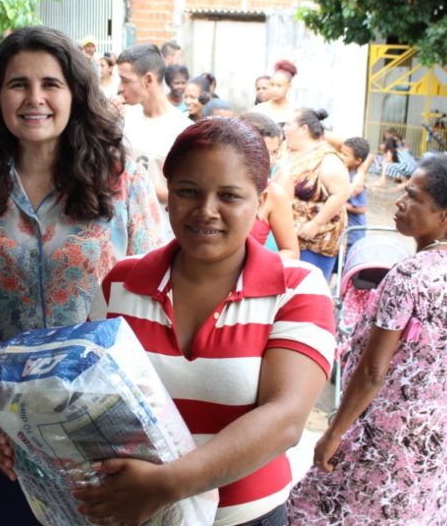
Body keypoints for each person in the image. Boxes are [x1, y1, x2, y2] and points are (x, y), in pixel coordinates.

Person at [75, 118, 335, 525]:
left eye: (229, 196)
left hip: (245, 517)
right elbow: (90, 397)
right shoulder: (120, 283)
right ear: (168, 194)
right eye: (188, 192)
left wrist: (164, 485)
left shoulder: (297, 290)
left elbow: (285, 418)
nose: (206, 211)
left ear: (261, 200)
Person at [0, 26, 164, 525]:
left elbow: (152, 289)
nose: (35, 98)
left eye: (50, 84)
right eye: (17, 84)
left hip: (97, 386)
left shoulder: (121, 174)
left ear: (74, 92)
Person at [287, 155, 447, 525]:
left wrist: (334, 433)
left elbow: (372, 372)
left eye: (413, 197)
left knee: (323, 508)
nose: (400, 202)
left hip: (389, 432)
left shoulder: (408, 276)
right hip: (441, 435)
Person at [118, 44, 193, 208]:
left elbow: (190, 193)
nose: (120, 87)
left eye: (125, 80)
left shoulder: (184, 130)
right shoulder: (124, 118)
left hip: (163, 231)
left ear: (148, 80)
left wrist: (140, 184)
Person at [284, 108, 351, 281]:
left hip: (315, 239)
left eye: (288, 124)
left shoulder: (327, 158)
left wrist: (315, 224)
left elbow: (341, 194)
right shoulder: (285, 150)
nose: (284, 128)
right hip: (288, 236)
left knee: (307, 286)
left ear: (303, 129)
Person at [240, 112, 300, 259]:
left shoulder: (273, 193)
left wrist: (252, 264)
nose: (270, 160)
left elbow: (291, 252)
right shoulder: (207, 184)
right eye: (263, 151)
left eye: (274, 152)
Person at [341, 137, 370, 252]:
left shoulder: (355, 180)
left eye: (345, 155)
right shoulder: (345, 173)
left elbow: (361, 209)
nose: (341, 157)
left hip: (353, 233)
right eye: (341, 153)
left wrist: (337, 203)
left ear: (358, 160)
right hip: (345, 232)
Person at [249, 60, 297, 125]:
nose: (274, 89)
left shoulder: (296, 111)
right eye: (272, 85)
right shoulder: (259, 110)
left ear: (289, 86)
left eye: (279, 85)